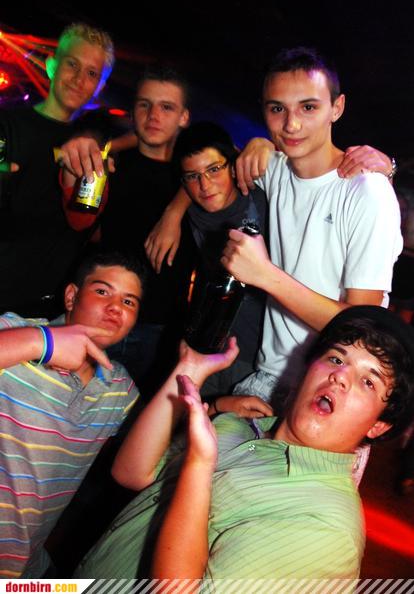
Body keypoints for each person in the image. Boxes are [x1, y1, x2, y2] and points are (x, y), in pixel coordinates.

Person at [74, 305, 414, 581]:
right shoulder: (237, 426)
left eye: (368, 382)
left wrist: (199, 464)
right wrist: (190, 370)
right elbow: (131, 472)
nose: (340, 376)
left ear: (379, 425)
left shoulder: (327, 528)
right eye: (337, 359)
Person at [219, 47, 402, 402]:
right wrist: (254, 144)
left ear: (337, 107)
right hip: (266, 378)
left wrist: (264, 274)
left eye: (308, 107)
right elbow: (205, 169)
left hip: (328, 389)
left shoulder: (368, 192)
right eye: (277, 109)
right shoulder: (274, 168)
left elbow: (361, 326)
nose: (292, 124)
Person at [0, 250, 144, 578]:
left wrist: (215, 406)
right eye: (103, 291)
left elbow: (138, 467)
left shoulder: (119, 387)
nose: (115, 308)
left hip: (29, 570)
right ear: (71, 296)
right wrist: (42, 344)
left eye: (128, 301)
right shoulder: (16, 332)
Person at [60, 66, 195, 396]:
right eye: (144, 104)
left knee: (132, 417)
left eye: (167, 107)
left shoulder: (196, 177)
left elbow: (229, 164)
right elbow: (79, 224)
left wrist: (174, 211)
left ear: (184, 117)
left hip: (160, 327)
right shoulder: (109, 164)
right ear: (133, 110)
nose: (153, 116)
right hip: (99, 315)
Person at [0, 23, 115, 318]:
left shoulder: (96, 148)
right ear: (52, 66)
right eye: (72, 64)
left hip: (48, 310)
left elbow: (84, 225)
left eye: (92, 73)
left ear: (100, 87)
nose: (79, 79)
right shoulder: (7, 125)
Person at [171, 121, 267, 401]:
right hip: (206, 347)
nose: (205, 185)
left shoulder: (264, 199)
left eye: (214, 170)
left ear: (233, 166)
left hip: (257, 358)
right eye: (193, 176)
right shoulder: (191, 212)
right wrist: (172, 213)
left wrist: (263, 143)